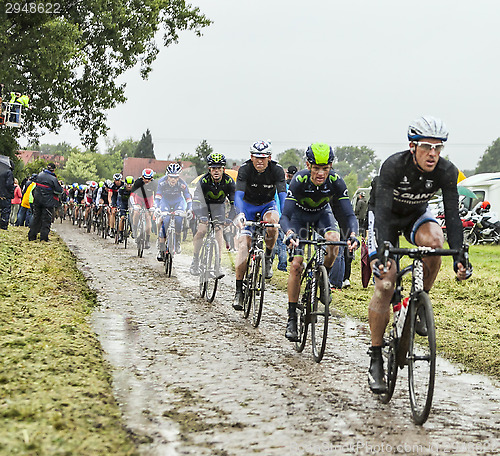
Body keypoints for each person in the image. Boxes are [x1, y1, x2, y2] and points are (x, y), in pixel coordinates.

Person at [366, 115, 472, 394]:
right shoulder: (393, 165)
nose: (433, 154)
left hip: (416, 215)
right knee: (386, 281)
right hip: (384, 216)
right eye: (427, 147)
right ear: (413, 146)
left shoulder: (446, 171)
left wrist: (460, 256)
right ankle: (376, 356)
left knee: (436, 241)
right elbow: (385, 218)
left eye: (439, 148)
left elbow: (452, 216)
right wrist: (385, 253)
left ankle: (419, 298)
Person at [280, 143, 359, 341]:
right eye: (316, 168)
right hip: (298, 219)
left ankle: (324, 278)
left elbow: (348, 215)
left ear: (331, 167)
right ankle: (291, 318)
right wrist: (289, 233)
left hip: (321, 216)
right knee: (297, 265)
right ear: (308, 165)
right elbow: (285, 216)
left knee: (334, 239)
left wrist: (353, 234)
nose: (321, 173)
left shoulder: (336, 181)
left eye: (325, 168)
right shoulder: (299, 180)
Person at [233, 140, 287, 310]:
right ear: (251, 157)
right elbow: (239, 195)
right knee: (244, 247)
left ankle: (269, 257)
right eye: (256, 157)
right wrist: (240, 214)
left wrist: (285, 216)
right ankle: (239, 291)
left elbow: (283, 196)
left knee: (272, 224)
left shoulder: (277, 170)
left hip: (267, 205)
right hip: (247, 207)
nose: (260, 161)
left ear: (269, 158)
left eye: (263, 158)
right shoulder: (245, 169)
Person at [190, 152, 236, 276]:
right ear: (209, 169)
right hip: (203, 206)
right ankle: (195, 260)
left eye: (219, 168)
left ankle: (218, 264)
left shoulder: (229, 181)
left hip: (218, 207)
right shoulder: (203, 181)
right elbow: (195, 202)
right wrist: (201, 216)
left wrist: (230, 219)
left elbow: (235, 204)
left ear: (223, 169)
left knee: (219, 229)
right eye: (213, 168)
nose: (216, 171)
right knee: (202, 230)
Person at [154, 163, 192, 259]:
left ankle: (177, 242)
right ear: (167, 176)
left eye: (175, 177)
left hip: (178, 202)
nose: (173, 179)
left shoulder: (182, 184)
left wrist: (189, 209)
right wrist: (157, 207)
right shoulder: (162, 182)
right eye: (171, 177)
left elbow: (188, 197)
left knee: (179, 220)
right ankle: (161, 249)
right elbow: (158, 196)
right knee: (165, 221)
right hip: (165, 201)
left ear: (178, 177)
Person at [28, 163, 63, 241]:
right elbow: (59, 190)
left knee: (36, 218)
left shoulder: (39, 175)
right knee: (46, 220)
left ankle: (32, 236)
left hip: (37, 200)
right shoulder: (53, 179)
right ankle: (44, 238)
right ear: (53, 169)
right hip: (48, 202)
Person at [130, 168, 156, 249]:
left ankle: (147, 239)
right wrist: (134, 205)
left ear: (152, 178)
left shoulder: (154, 183)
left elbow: (157, 196)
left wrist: (154, 206)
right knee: (136, 212)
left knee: (148, 217)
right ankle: (134, 229)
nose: (147, 180)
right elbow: (132, 194)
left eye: (149, 179)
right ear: (142, 177)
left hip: (149, 199)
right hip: (139, 198)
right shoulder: (138, 182)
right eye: (145, 178)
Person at [116, 176, 135, 242]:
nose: (129, 186)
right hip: (123, 204)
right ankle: (121, 234)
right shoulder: (121, 189)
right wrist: (119, 207)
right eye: (127, 184)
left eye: (130, 185)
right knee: (122, 218)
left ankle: (132, 230)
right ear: (125, 184)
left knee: (131, 218)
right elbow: (119, 199)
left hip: (131, 203)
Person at [0, 156, 15, 229]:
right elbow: (9, 184)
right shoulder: (9, 172)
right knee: (5, 211)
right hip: (5, 195)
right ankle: (3, 226)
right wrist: (12, 191)